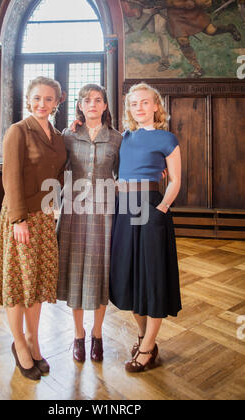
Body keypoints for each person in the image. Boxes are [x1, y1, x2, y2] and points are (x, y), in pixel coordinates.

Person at [0, 77, 67, 380]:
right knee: (18, 283)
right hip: (20, 217)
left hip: (46, 216)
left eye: (49, 99)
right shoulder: (18, 131)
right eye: (37, 98)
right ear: (28, 99)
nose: (42, 104)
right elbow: (10, 178)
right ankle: (19, 343)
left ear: (58, 102)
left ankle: (35, 342)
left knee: (36, 283)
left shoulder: (59, 136)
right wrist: (19, 220)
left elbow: (60, 174)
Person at [109, 82, 182, 372]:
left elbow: (175, 179)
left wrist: (162, 208)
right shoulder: (124, 138)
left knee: (152, 277)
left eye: (144, 102)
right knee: (127, 276)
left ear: (155, 106)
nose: (138, 107)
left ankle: (148, 347)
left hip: (151, 207)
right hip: (123, 210)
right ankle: (142, 337)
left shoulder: (167, 138)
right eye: (133, 103)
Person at [57, 84, 122, 363]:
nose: (93, 104)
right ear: (80, 106)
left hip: (105, 213)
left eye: (98, 100)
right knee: (75, 270)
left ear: (105, 106)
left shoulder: (117, 139)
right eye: (87, 100)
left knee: (100, 270)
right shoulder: (67, 136)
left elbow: (125, 171)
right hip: (73, 210)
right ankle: (78, 335)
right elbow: (55, 168)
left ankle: (97, 334)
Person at [167, 0, 241, 77]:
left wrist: (202, 2)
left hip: (193, 11)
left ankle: (230, 28)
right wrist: (181, 3)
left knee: (211, 31)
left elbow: (207, 2)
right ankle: (198, 69)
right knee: (182, 40)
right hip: (176, 14)